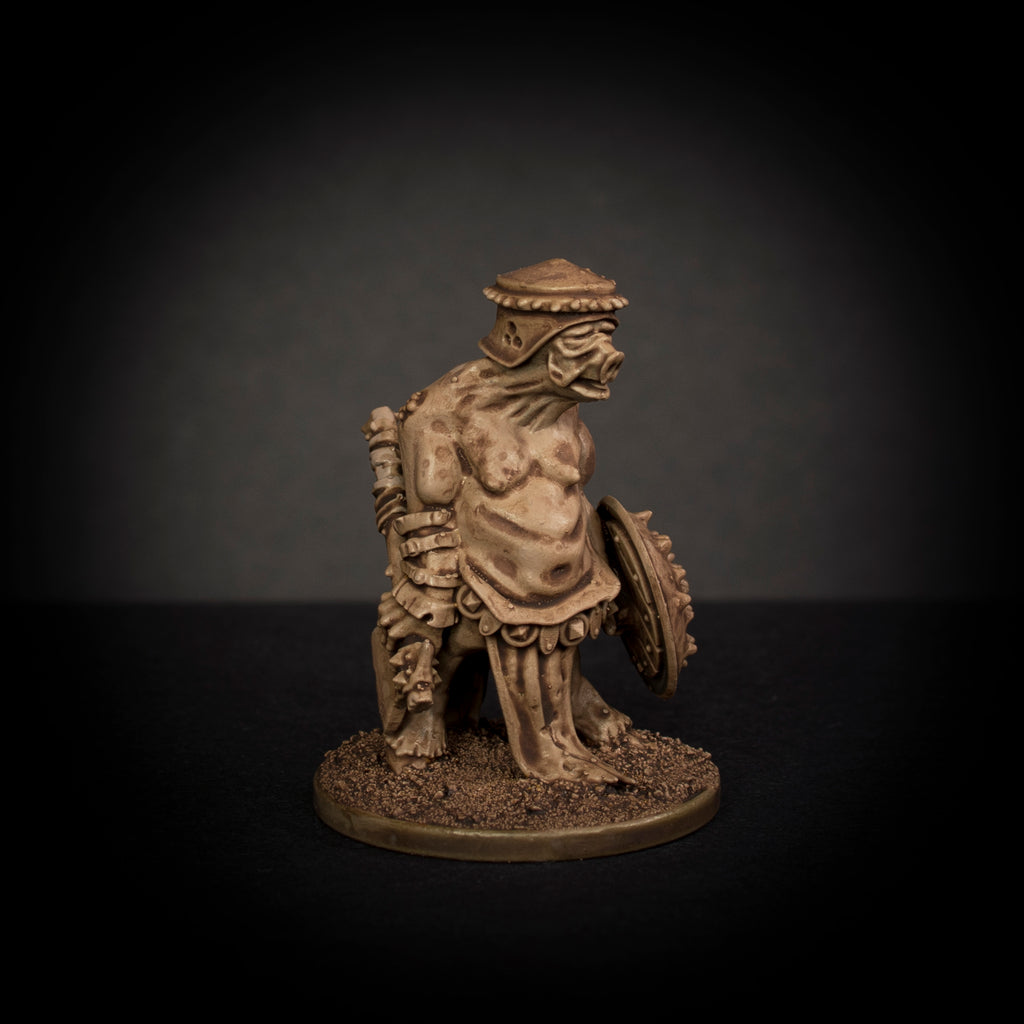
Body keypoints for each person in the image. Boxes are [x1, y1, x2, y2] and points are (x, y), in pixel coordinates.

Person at [362, 258, 690, 783]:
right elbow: (424, 522)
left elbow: (574, 492)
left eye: (606, 337)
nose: (608, 357)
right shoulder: (446, 412)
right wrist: (428, 599)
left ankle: (572, 695)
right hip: (483, 575)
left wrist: (606, 566)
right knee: (451, 647)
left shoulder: (562, 404)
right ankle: (423, 714)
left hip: (566, 570)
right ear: (528, 342)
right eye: (583, 341)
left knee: (565, 634)